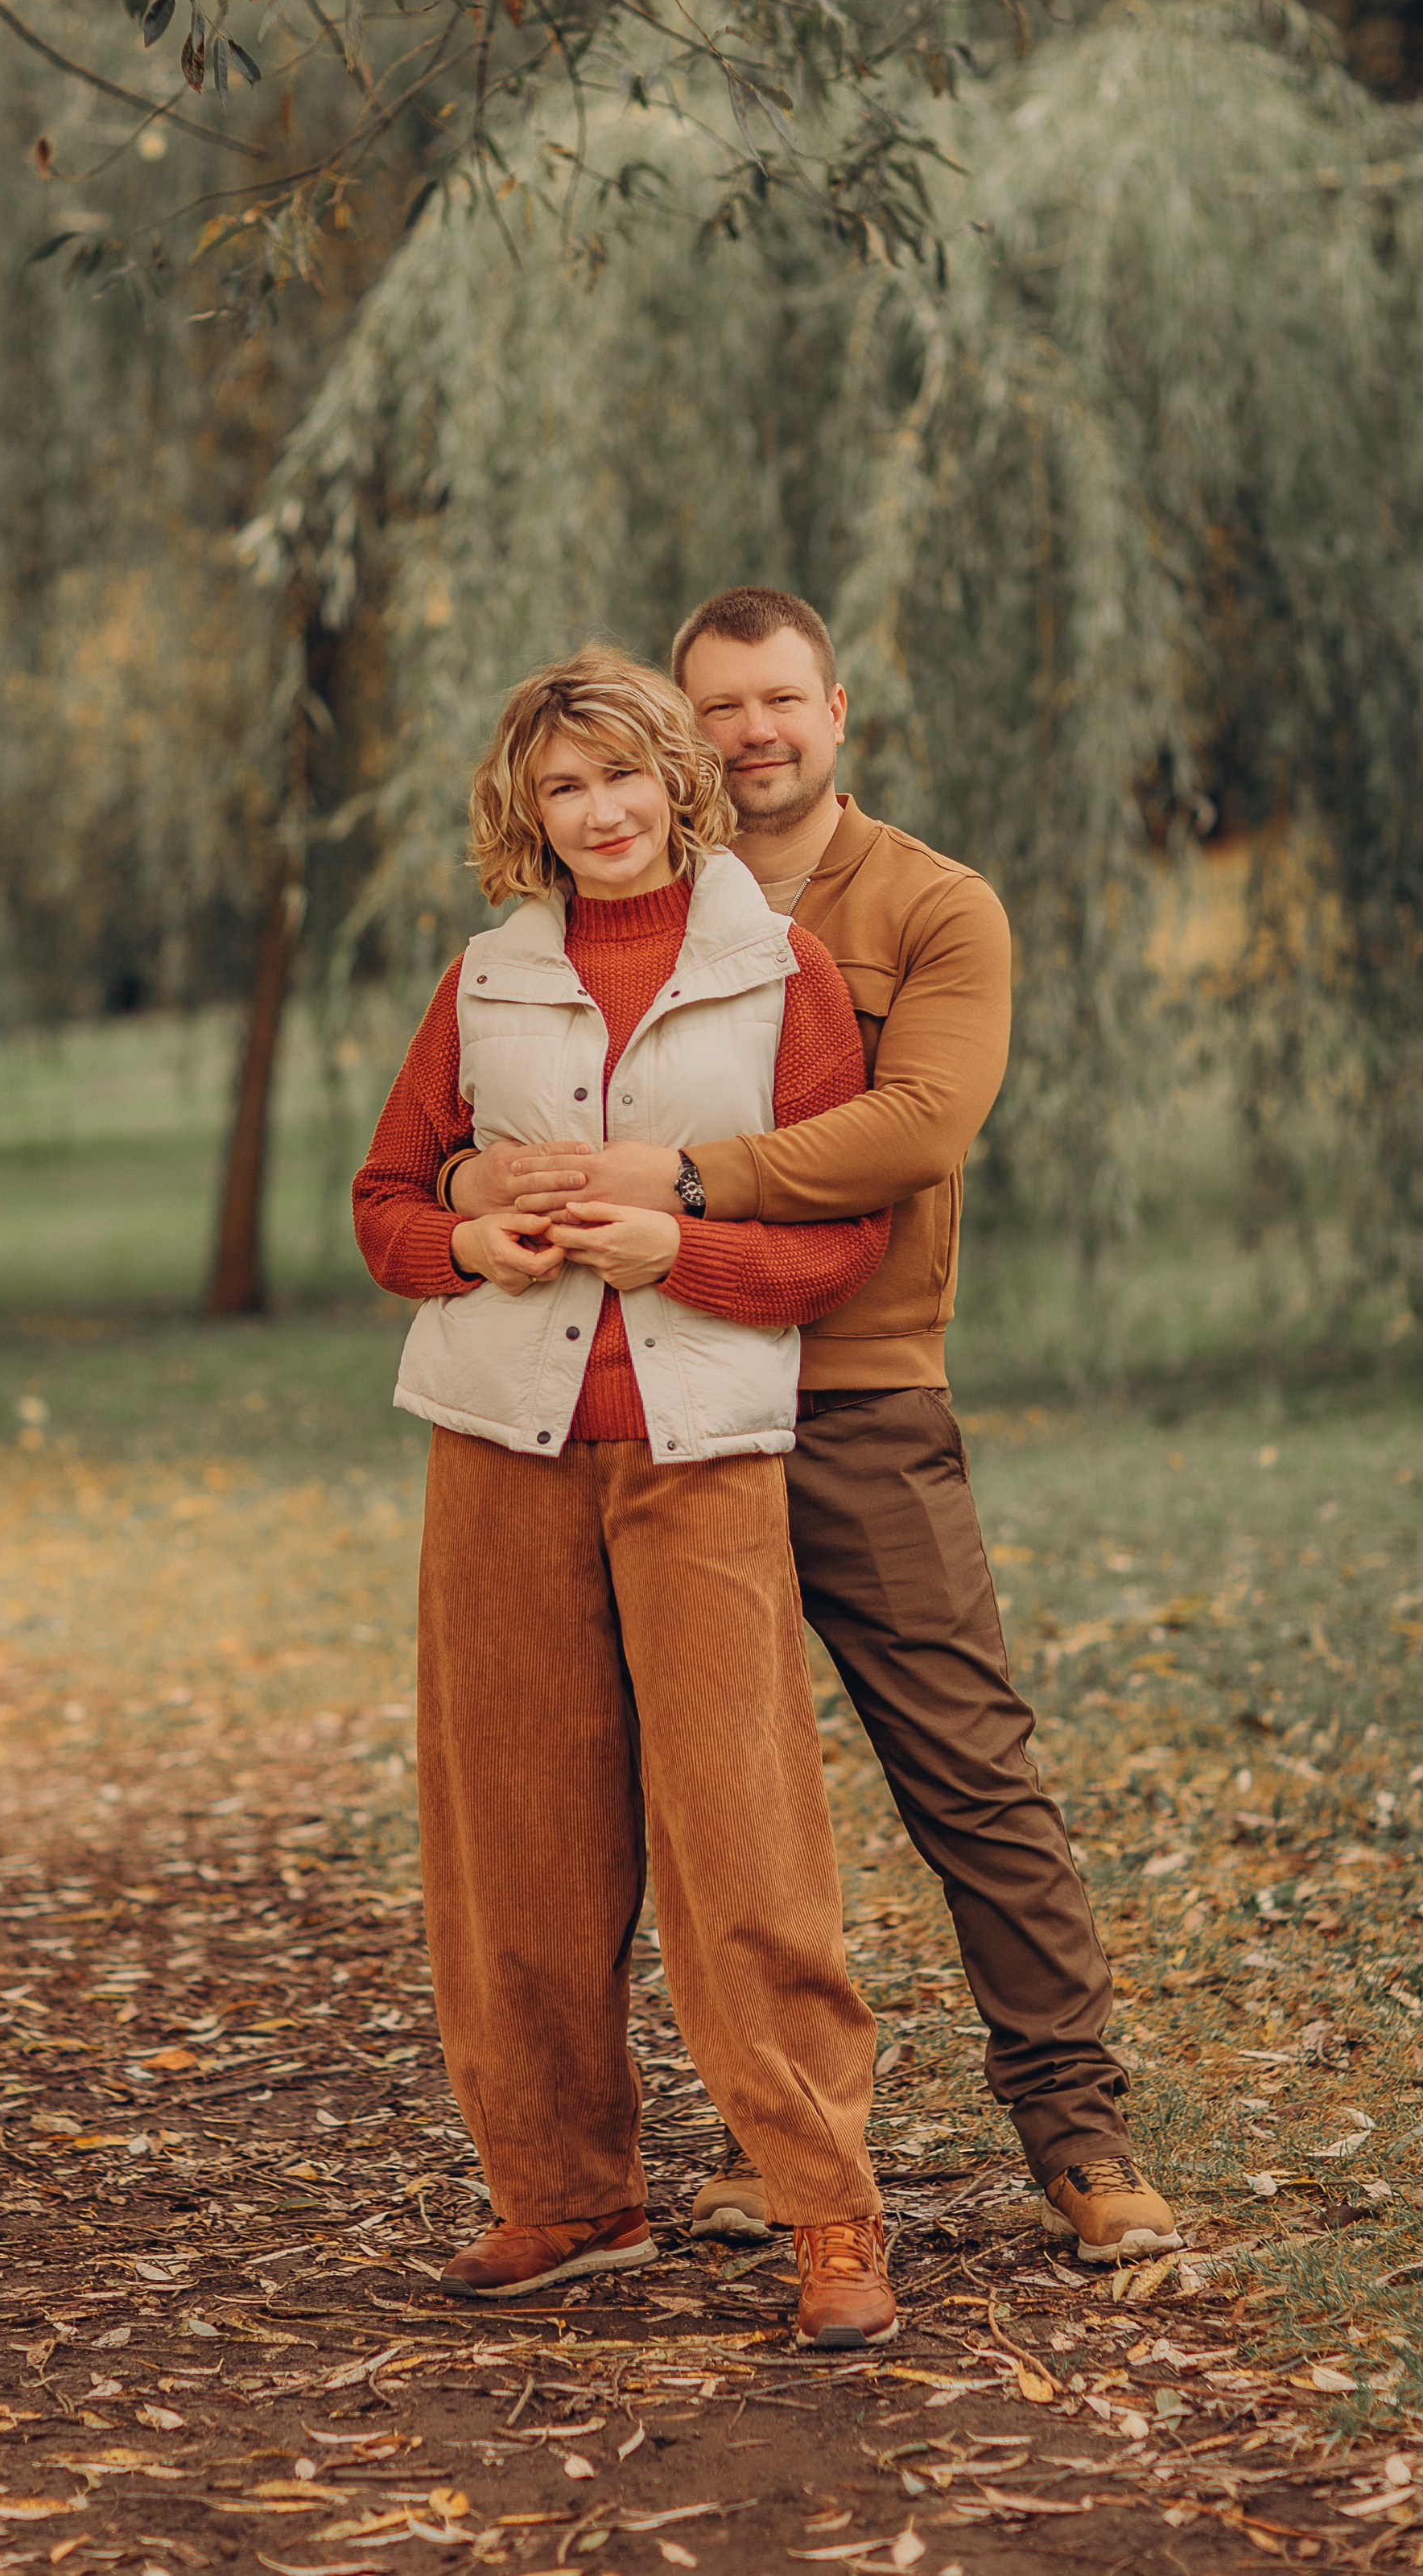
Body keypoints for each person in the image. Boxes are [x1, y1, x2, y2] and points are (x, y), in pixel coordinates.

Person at [445, 588, 1182, 2268]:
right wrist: (490, 1187)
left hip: (853, 1396)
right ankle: (761, 2141)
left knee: (967, 1769)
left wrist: (681, 1178)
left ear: (836, 710)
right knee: (700, 1796)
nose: (752, 732)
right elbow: (474, 1127)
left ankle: (1080, 2136)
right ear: (669, 734)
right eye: (717, 706)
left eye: (781, 699)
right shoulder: (596, 905)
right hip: (653, 1400)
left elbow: (917, 1124)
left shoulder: (930, 905)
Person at [351, 642, 903, 2346]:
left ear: (680, 781)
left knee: (744, 1836)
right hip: (498, 1447)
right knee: (516, 1835)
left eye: (620, 777)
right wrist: (470, 1237)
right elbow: (383, 1199)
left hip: (701, 1452)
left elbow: (842, 1230)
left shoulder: (773, 964)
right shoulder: (487, 979)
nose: (596, 812)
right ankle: (567, 2196)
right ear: (528, 810)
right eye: (560, 786)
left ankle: (827, 2212)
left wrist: (689, 1247)